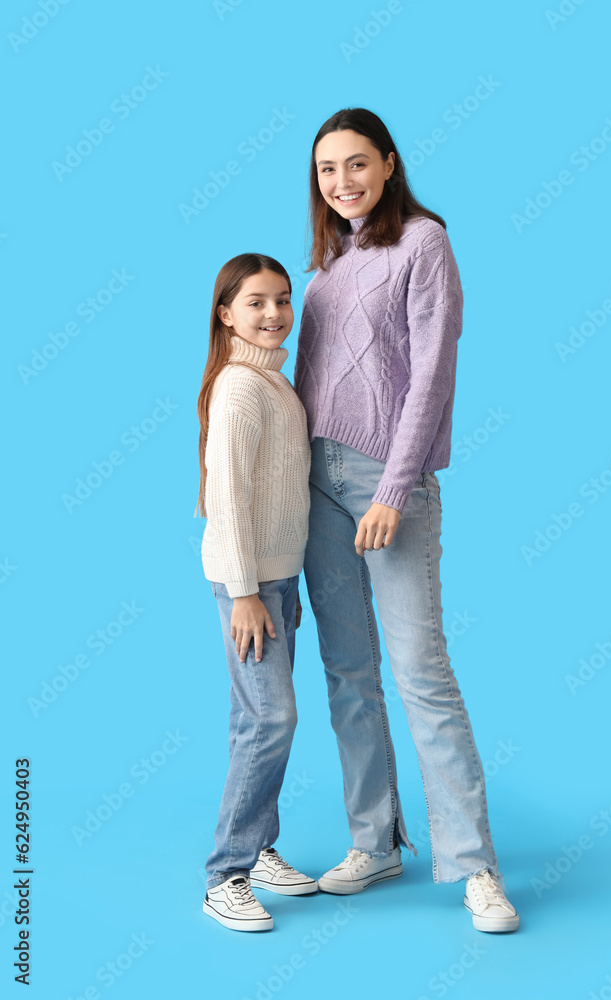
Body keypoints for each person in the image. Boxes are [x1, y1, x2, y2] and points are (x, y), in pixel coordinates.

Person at [293, 107, 519, 933]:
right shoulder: (325, 265)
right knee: (348, 672)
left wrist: (392, 488)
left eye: (356, 164)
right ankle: (375, 841)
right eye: (326, 170)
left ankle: (475, 866)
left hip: (386, 480)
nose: (342, 182)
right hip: (314, 481)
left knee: (420, 671)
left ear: (388, 164)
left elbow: (430, 376)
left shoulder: (423, 243)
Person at [194, 253, 318, 932]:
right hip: (251, 585)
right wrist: (243, 592)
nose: (273, 315)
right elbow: (227, 499)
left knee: (257, 720)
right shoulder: (240, 387)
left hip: (278, 576)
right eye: (255, 303)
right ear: (225, 313)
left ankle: (260, 846)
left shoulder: (274, 384)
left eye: (282, 300)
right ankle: (225, 874)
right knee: (271, 719)